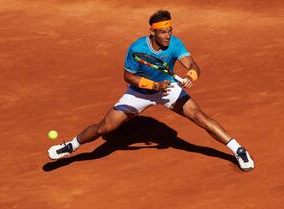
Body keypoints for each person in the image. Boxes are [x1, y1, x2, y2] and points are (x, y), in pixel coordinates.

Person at [47, 10, 255, 171]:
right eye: (163, 32)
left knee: (200, 117)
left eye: (170, 30)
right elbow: (128, 77)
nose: (168, 36)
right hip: (139, 93)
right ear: (152, 31)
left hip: (169, 89)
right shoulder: (137, 48)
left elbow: (193, 65)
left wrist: (191, 76)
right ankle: (71, 146)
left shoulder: (175, 44)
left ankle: (238, 149)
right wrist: (154, 86)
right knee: (104, 129)